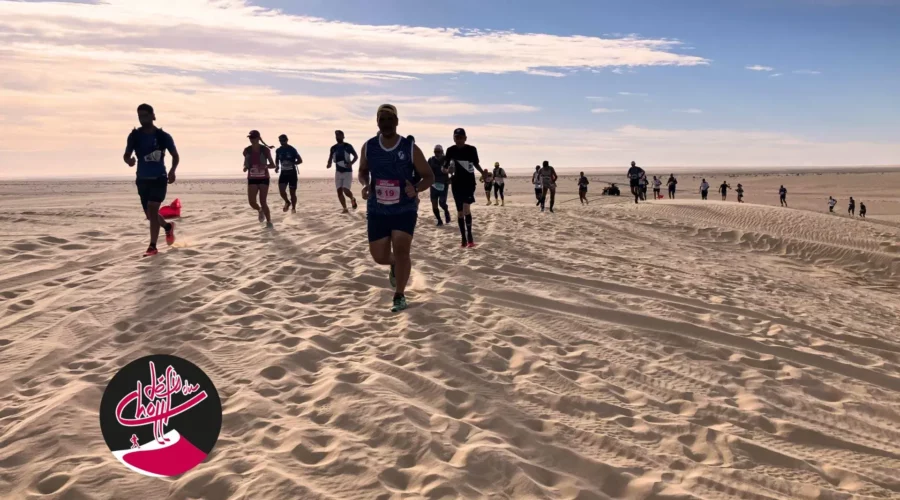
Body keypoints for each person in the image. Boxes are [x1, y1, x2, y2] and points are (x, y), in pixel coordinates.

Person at [358, 104, 433, 312]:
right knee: (379, 256)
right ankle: (393, 264)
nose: (386, 123)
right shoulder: (369, 147)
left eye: (390, 119)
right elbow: (363, 172)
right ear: (377, 122)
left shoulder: (408, 147)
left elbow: (429, 176)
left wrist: (415, 189)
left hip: (404, 209)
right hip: (377, 210)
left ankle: (399, 294)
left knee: (402, 250)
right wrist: (365, 185)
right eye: (382, 119)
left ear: (397, 122)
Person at [124, 103, 179, 257]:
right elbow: (126, 154)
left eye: (145, 115)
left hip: (159, 178)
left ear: (153, 116)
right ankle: (167, 227)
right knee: (150, 215)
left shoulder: (163, 136)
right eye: (140, 116)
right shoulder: (134, 136)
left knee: (153, 208)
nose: (142, 119)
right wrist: (129, 160)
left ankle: (152, 246)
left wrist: (172, 171)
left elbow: (175, 155)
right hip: (142, 179)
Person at [444, 128, 488, 247]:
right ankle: (463, 237)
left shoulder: (471, 150)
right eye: (456, 137)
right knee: (459, 212)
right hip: (456, 184)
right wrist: (448, 170)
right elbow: (443, 168)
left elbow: (475, 164)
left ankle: (470, 237)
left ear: (465, 138)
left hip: (469, 183)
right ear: (453, 138)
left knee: (466, 208)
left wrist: (483, 173)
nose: (458, 140)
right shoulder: (450, 151)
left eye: (461, 138)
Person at [243, 130, 276, 228]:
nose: (251, 140)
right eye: (250, 138)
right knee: (252, 202)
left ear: (258, 138)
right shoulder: (247, 150)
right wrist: (245, 167)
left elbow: (273, 165)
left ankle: (269, 222)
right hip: (252, 178)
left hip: (263, 178)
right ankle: (260, 210)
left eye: (253, 138)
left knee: (263, 201)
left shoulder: (265, 150)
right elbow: (246, 162)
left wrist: (265, 166)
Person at [327, 130, 359, 213]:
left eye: (339, 135)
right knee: (339, 191)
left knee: (345, 190)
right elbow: (330, 158)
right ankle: (345, 208)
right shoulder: (333, 148)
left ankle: (352, 198)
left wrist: (351, 163)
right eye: (336, 136)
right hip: (338, 172)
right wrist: (329, 163)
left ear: (343, 137)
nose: (338, 137)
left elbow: (356, 156)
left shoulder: (348, 146)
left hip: (347, 172)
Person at [275, 134, 302, 213]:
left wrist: (293, 163)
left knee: (292, 192)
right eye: (280, 140)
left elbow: (300, 160)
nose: (282, 142)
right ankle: (287, 201)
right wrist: (277, 167)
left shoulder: (292, 149)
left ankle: (293, 208)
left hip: (292, 173)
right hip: (283, 173)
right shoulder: (278, 150)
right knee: (281, 191)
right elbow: (277, 160)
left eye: (283, 140)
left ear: (287, 140)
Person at [428, 145, 452, 226]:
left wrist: (451, 178)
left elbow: (454, 169)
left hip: (443, 184)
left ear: (442, 152)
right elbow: (427, 171)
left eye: (438, 151)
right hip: (433, 185)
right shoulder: (431, 160)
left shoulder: (446, 159)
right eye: (435, 151)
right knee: (434, 203)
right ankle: (439, 220)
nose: (437, 153)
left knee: (442, 203)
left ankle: (446, 211)